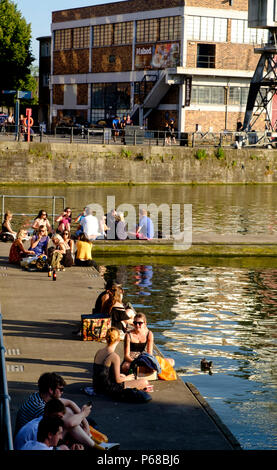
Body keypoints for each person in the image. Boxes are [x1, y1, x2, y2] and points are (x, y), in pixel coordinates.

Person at [14, 372, 96, 450]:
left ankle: (89, 440)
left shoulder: (38, 397)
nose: (62, 392)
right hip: (31, 443)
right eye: (60, 389)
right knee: (70, 420)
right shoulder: (40, 408)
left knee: (68, 411)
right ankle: (93, 445)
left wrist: (85, 425)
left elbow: (69, 403)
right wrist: (83, 414)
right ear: (50, 390)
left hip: (37, 439)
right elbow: (69, 423)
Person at [93, 327, 149, 398]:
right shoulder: (114, 357)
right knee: (144, 382)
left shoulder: (99, 352)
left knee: (122, 375)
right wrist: (127, 378)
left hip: (97, 386)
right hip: (109, 389)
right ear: (118, 340)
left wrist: (121, 375)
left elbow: (103, 371)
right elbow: (118, 380)